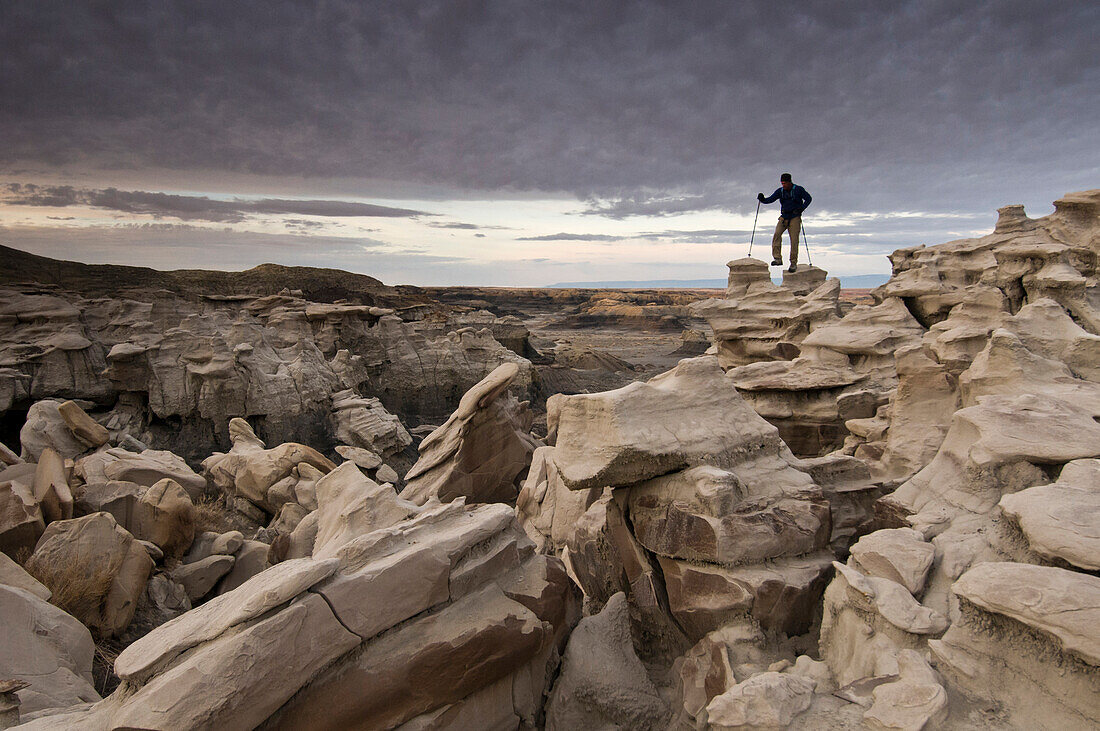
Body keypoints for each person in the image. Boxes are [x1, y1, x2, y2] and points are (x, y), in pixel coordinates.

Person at [758, 173, 811, 272]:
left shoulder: (798, 190)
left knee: (794, 241)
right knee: (777, 235)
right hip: (784, 217)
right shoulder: (780, 191)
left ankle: (793, 263)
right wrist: (762, 199)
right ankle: (777, 259)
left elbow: (808, 198)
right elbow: (770, 199)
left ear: (789, 182)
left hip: (795, 217)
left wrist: (801, 209)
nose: (783, 185)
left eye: (785, 183)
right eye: (782, 183)